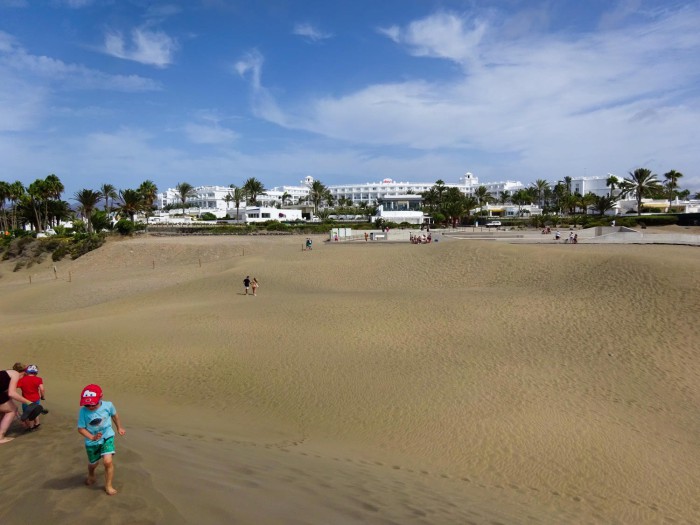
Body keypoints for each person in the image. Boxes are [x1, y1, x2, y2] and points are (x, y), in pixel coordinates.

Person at [77, 384, 126, 496]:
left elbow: (115, 416)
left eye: (93, 404)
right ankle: (91, 474)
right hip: (91, 441)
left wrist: (119, 427)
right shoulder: (83, 411)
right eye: (87, 404)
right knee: (93, 464)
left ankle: (108, 485)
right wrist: (92, 437)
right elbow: (80, 428)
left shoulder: (108, 405)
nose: (90, 406)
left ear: (101, 397)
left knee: (107, 461)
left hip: (107, 436)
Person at [1, 363, 34, 444]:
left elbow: (6, 395)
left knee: (7, 409)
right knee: (11, 410)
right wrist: (29, 402)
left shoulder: (7, 373)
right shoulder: (15, 374)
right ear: (23, 373)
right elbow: (12, 393)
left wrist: (17, 413)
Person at [17, 364, 45, 431]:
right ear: (36, 372)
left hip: (26, 400)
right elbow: (42, 389)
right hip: (36, 399)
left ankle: (30, 427)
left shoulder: (22, 380)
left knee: (26, 413)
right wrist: (42, 396)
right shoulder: (39, 379)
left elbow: (14, 386)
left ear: (27, 372)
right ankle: (37, 423)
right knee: (35, 411)